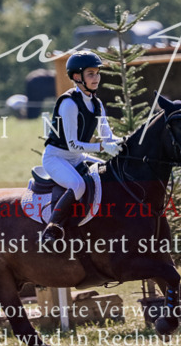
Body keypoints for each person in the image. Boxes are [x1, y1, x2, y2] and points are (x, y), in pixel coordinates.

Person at [40, 50, 122, 246]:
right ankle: (52, 228)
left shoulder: (97, 103)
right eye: (91, 74)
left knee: (110, 173)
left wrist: (127, 141)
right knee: (78, 185)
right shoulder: (69, 103)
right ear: (77, 77)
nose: (96, 78)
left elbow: (108, 136)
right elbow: (73, 144)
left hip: (76, 158)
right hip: (56, 158)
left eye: (97, 73)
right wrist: (103, 147)